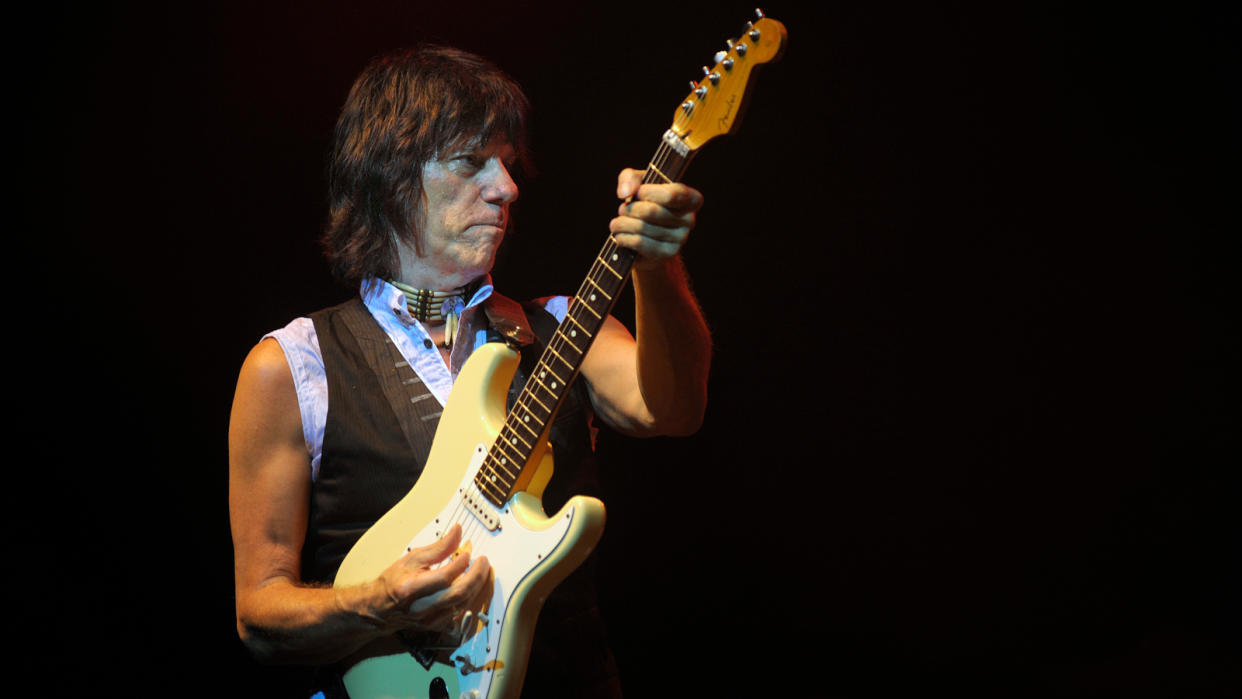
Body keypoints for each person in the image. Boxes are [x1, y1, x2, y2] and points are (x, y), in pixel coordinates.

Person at [228, 45, 711, 698]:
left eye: (508, 165)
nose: (506, 188)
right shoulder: (293, 364)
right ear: (391, 175)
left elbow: (674, 409)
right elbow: (260, 616)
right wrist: (377, 601)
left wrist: (656, 265)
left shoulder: (562, 328)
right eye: (470, 161)